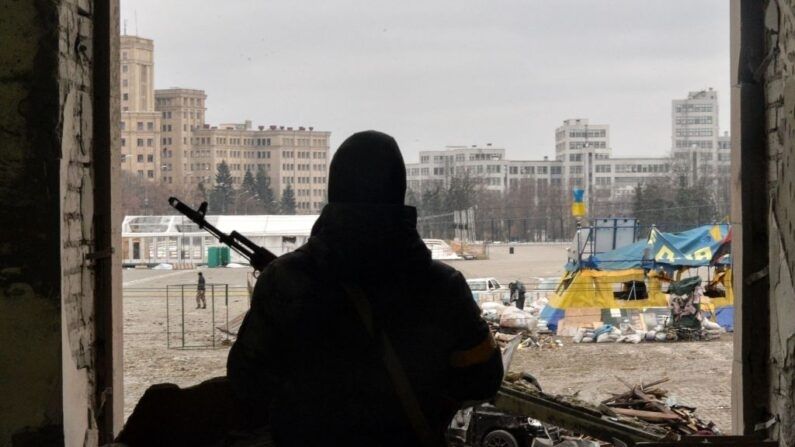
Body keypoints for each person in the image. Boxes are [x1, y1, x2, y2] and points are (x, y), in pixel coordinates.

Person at [228, 130, 503, 447]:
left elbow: (246, 381)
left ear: (334, 190)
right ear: (398, 192)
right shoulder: (443, 287)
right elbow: (484, 380)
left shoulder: (284, 281)